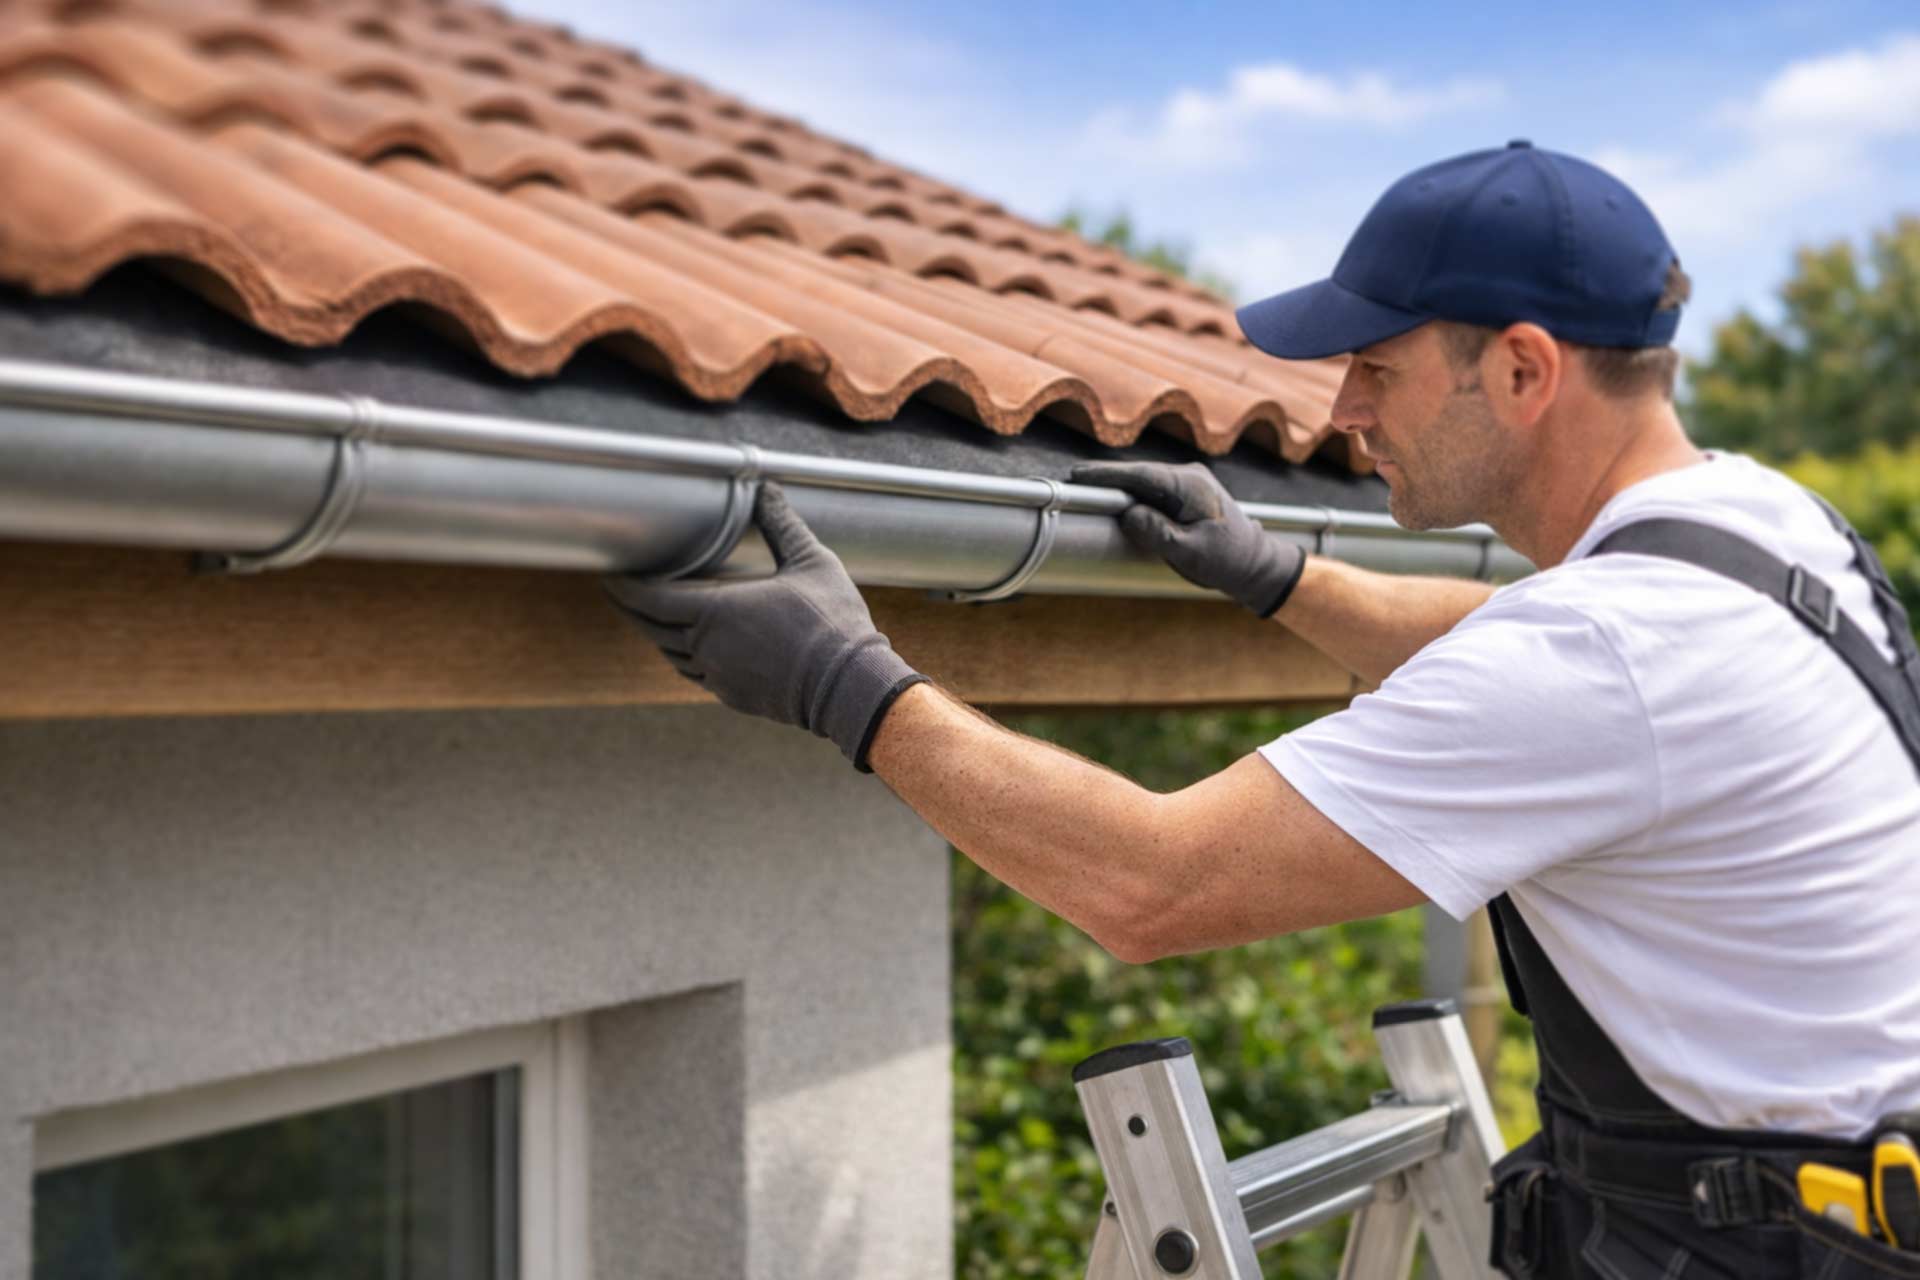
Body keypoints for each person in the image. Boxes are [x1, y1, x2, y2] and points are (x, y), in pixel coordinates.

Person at [607, 142, 1920, 1277]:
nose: (1343, 410)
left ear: (1524, 369)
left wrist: (847, 684)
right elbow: (1502, 646)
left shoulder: (1608, 653)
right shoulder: (1761, 527)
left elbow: (1152, 882)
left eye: (1380, 369)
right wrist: (1273, 572)